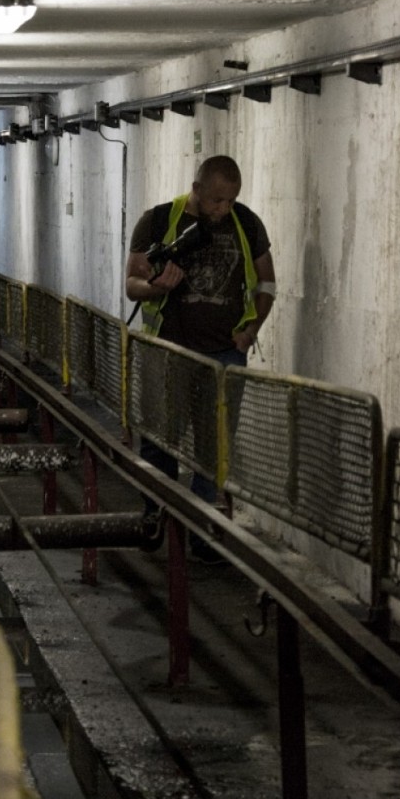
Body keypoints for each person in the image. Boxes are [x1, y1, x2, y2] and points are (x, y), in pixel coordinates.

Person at [125, 154, 276, 563]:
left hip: (225, 355)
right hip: (168, 352)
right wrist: (156, 286)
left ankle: (200, 529)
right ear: (196, 190)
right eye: (215, 201)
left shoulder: (247, 224)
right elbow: (132, 286)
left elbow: (267, 283)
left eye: (230, 201)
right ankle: (156, 512)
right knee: (159, 438)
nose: (222, 209)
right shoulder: (158, 221)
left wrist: (250, 332)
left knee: (214, 447)